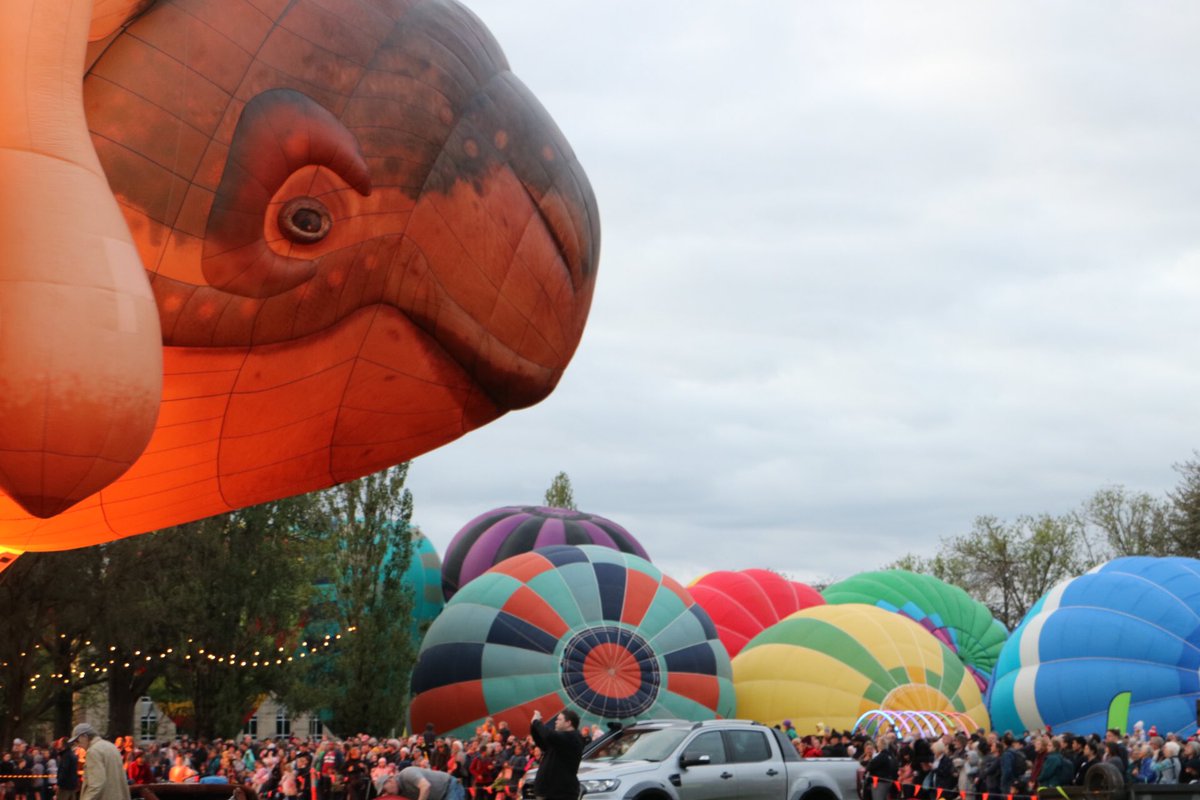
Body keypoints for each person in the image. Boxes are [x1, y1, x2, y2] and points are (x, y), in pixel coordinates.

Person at [528, 710, 584, 800]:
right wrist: (533, 726)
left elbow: (549, 735)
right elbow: (541, 742)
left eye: (559, 719)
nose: (555, 721)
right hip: (549, 792)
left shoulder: (573, 738)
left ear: (568, 723)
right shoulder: (559, 741)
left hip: (561, 793)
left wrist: (536, 722)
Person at [68, 724, 129, 800]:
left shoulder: (93, 751)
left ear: (85, 736)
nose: (77, 745)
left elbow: (96, 784)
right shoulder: (111, 746)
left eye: (77, 740)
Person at [392, 767, 465, 800]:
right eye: (382, 794)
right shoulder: (400, 793)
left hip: (450, 788)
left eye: (384, 790)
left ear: (389, 780)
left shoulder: (407, 773)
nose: (385, 794)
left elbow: (426, 786)